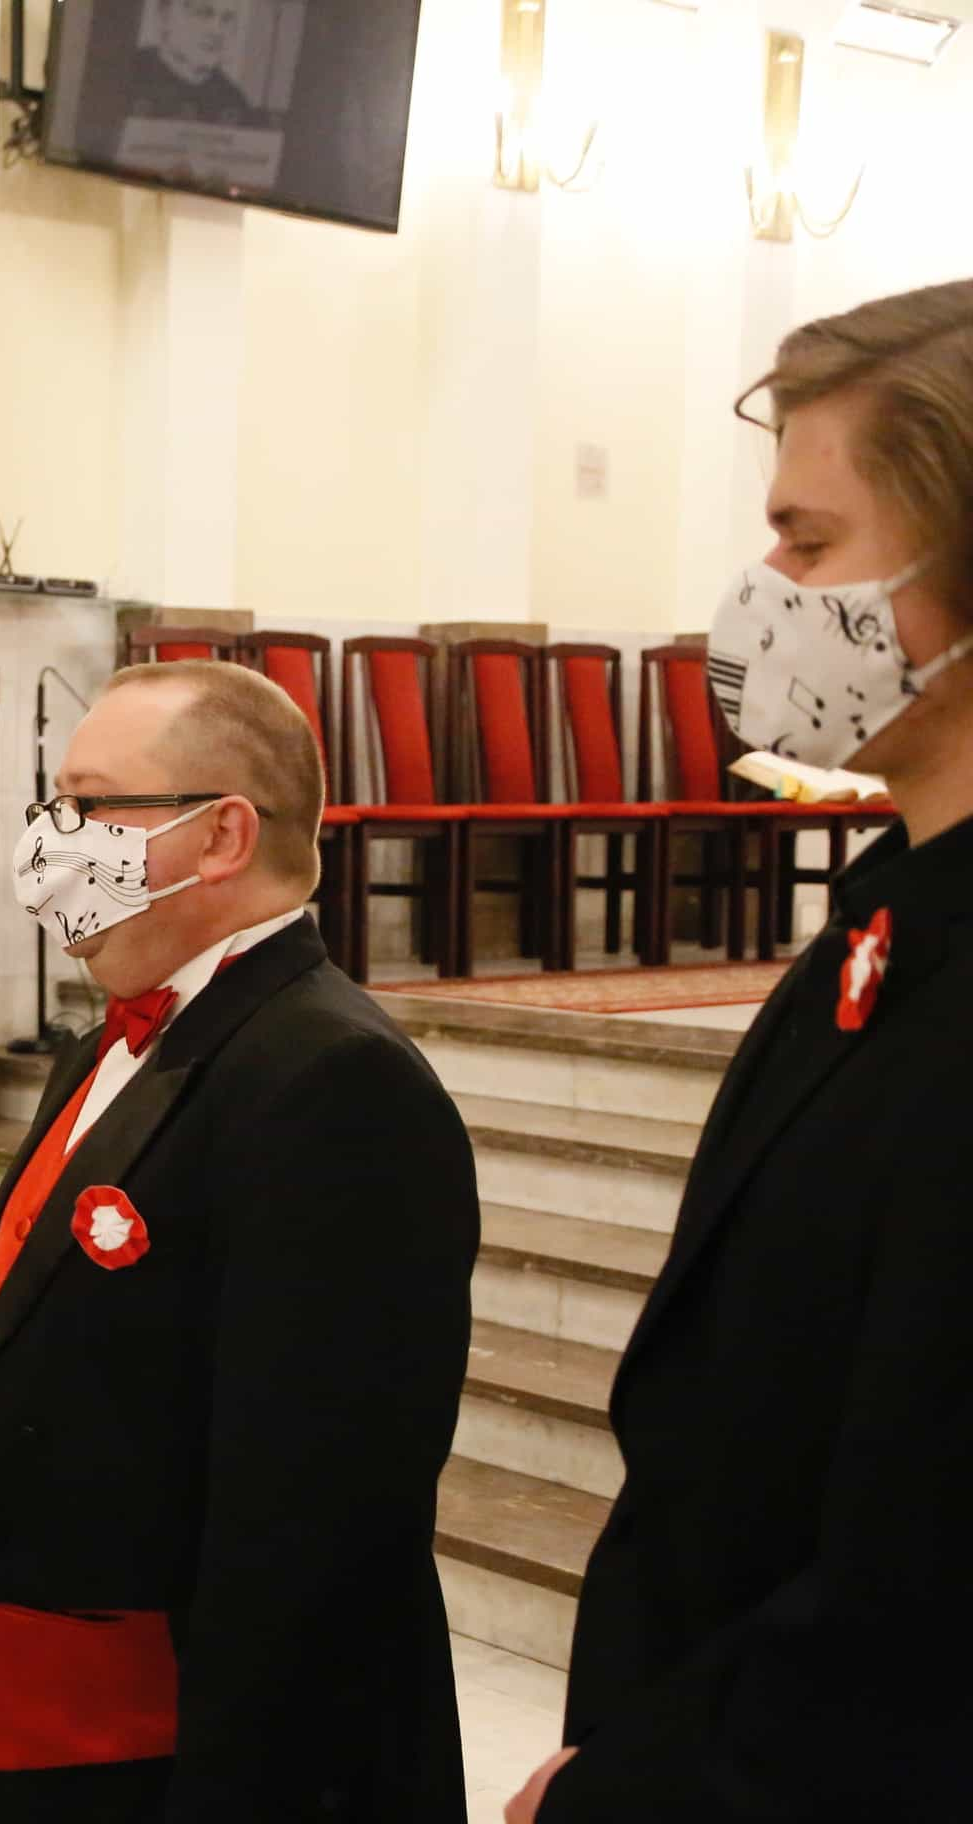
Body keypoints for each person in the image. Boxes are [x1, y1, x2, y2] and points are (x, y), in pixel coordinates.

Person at [510, 281, 973, 1824]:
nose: (764, 588)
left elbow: (922, 1573)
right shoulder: (883, 921)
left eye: (812, 541)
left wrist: (634, 1791)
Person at [0, 660, 476, 1823]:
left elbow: (311, 1508)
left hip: (197, 1740)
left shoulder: (333, 1079)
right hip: (68, 1703)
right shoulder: (124, 1029)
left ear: (222, 838)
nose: (52, 840)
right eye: (52, 805)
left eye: (93, 806)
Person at [127, 0, 265, 128]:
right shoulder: (123, 73)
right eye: (202, 13)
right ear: (165, 16)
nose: (216, 31)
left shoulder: (235, 102)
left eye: (227, 19)